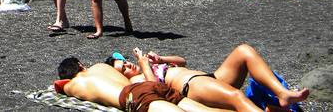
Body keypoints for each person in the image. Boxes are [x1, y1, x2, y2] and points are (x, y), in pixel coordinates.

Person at [107, 45, 309, 112]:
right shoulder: (135, 83)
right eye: (123, 69)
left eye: (125, 62)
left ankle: (282, 94)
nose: (128, 65)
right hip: (192, 88)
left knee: (244, 51)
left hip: (209, 78)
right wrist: (144, 66)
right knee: (236, 97)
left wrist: (161, 59)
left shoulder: (149, 66)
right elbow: (153, 90)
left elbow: (182, 61)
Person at [56, 59, 227, 112]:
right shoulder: (100, 67)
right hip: (147, 87)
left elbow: (59, 86)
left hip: (133, 97)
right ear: (81, 65)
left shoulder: (75, 84)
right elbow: (126, 82)